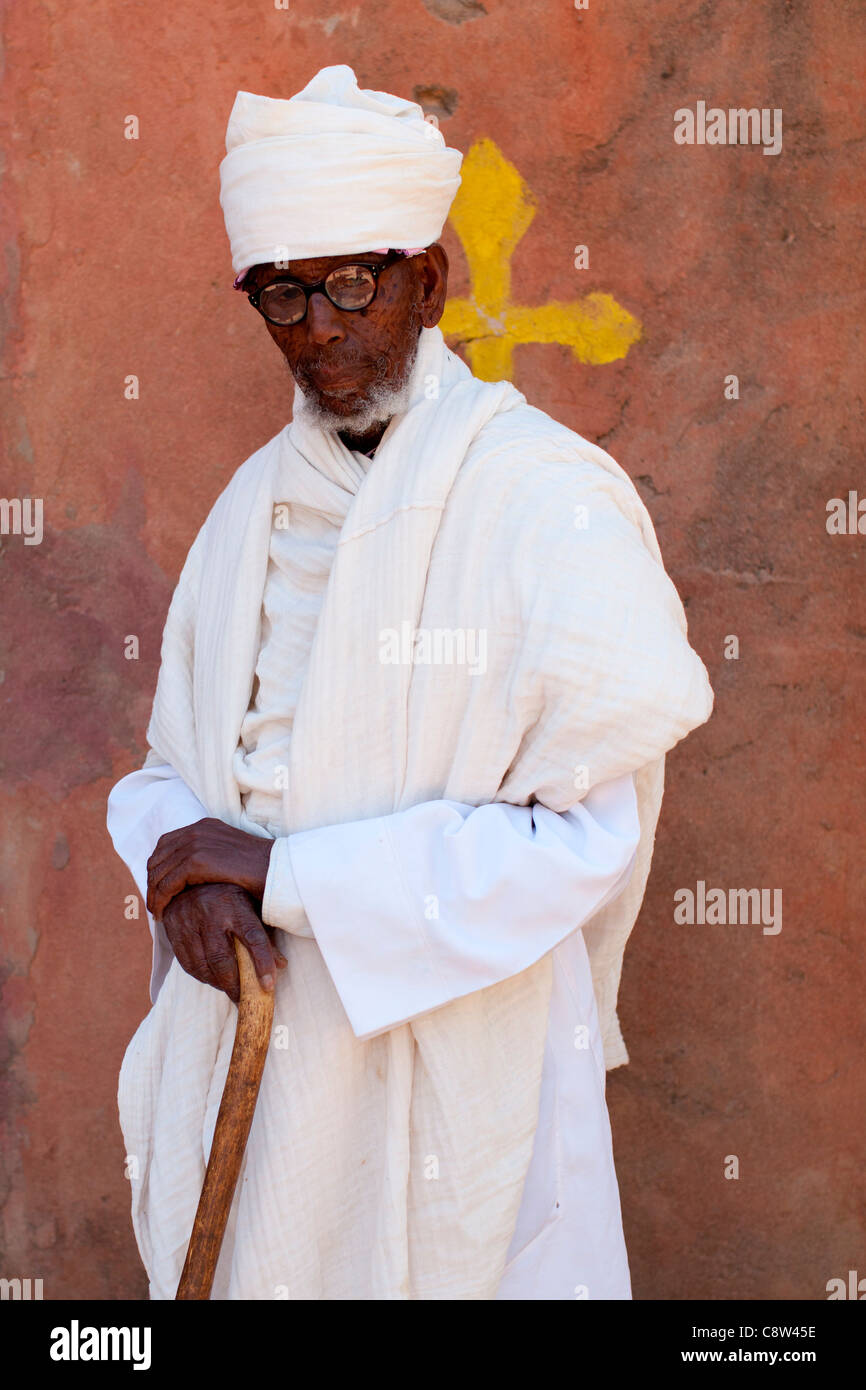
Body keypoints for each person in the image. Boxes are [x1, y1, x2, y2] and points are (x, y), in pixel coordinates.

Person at [108, 64, 713, 1300]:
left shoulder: (544, 501)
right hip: (261, 1073)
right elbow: (170, 778)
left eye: (349, 282)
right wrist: (181, 871)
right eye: (282, 294)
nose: (319, 328)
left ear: (425, 281)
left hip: (455, 1069)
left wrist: (291, 879)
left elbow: (580, 840)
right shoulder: (245, 515)